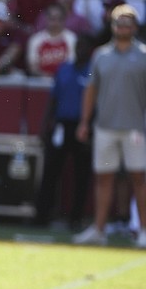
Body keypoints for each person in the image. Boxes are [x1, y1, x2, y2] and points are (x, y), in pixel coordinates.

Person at [73, 4, 146, 248]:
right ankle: (99, 230)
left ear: (135, 27)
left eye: (127, 22)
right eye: (119, 22)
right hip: (105, 127)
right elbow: (91, 90)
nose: (123, 27)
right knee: (104, 179)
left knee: (139, 179)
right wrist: (85, 121)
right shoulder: (100, 55)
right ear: (113, 26)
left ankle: (144, 231)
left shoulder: (144, 55)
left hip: (136, 129)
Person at [34, 33, 94, 229]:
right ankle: (42, 216)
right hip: (61, 125)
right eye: (78, 46)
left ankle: (75, 218)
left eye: (84, 46)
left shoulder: (93, 71)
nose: (80, 50)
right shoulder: (64, 69)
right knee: (50, 171)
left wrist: (90, 129)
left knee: (81, 175)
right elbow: (53, 99)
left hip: (83, 126)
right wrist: (45, 126)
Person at [26, 2, 77, 76]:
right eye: (52, 19)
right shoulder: (36, 39)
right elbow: (33, 67)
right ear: (46, 18)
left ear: (64, 19)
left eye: (59, 19)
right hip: (41, 81)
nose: (56, 23)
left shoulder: (72, 38)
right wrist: (44, 76)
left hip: (64, 80)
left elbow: (72, 64)